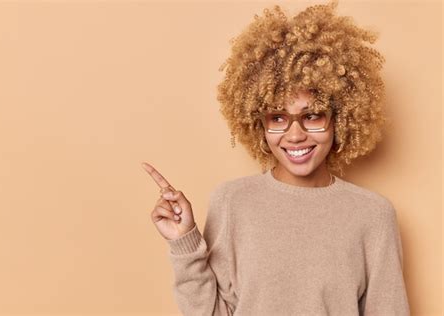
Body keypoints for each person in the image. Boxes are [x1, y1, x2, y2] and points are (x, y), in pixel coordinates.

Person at [141, 0, 410, 314]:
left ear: (341, 118)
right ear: (259, 123)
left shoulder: (373, 216)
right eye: (278, 118)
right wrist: (184, 242)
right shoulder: (231, 202)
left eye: (312, 116)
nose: (294, 134)